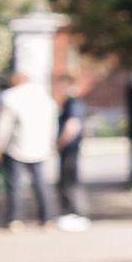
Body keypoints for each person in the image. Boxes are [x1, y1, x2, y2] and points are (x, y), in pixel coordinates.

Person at [0, 70, 57, 229]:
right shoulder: (43, 95)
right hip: (40, 146)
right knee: (40, 183)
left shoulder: (10, 96)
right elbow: (52, 120)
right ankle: (47, 218)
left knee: (14, 185)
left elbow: (4, 125)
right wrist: (51, 141)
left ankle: (14, 219)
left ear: (16, 80)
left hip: (16, 146)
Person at [55, 89, 88, 230]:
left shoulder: (72, 103)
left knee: (68, 180)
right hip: (72, 147)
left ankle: (71, 211)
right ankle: (71, 210)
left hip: (69, 148)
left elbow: (72, 125)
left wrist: (60, 143)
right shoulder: (78, 103)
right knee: (70, 179)